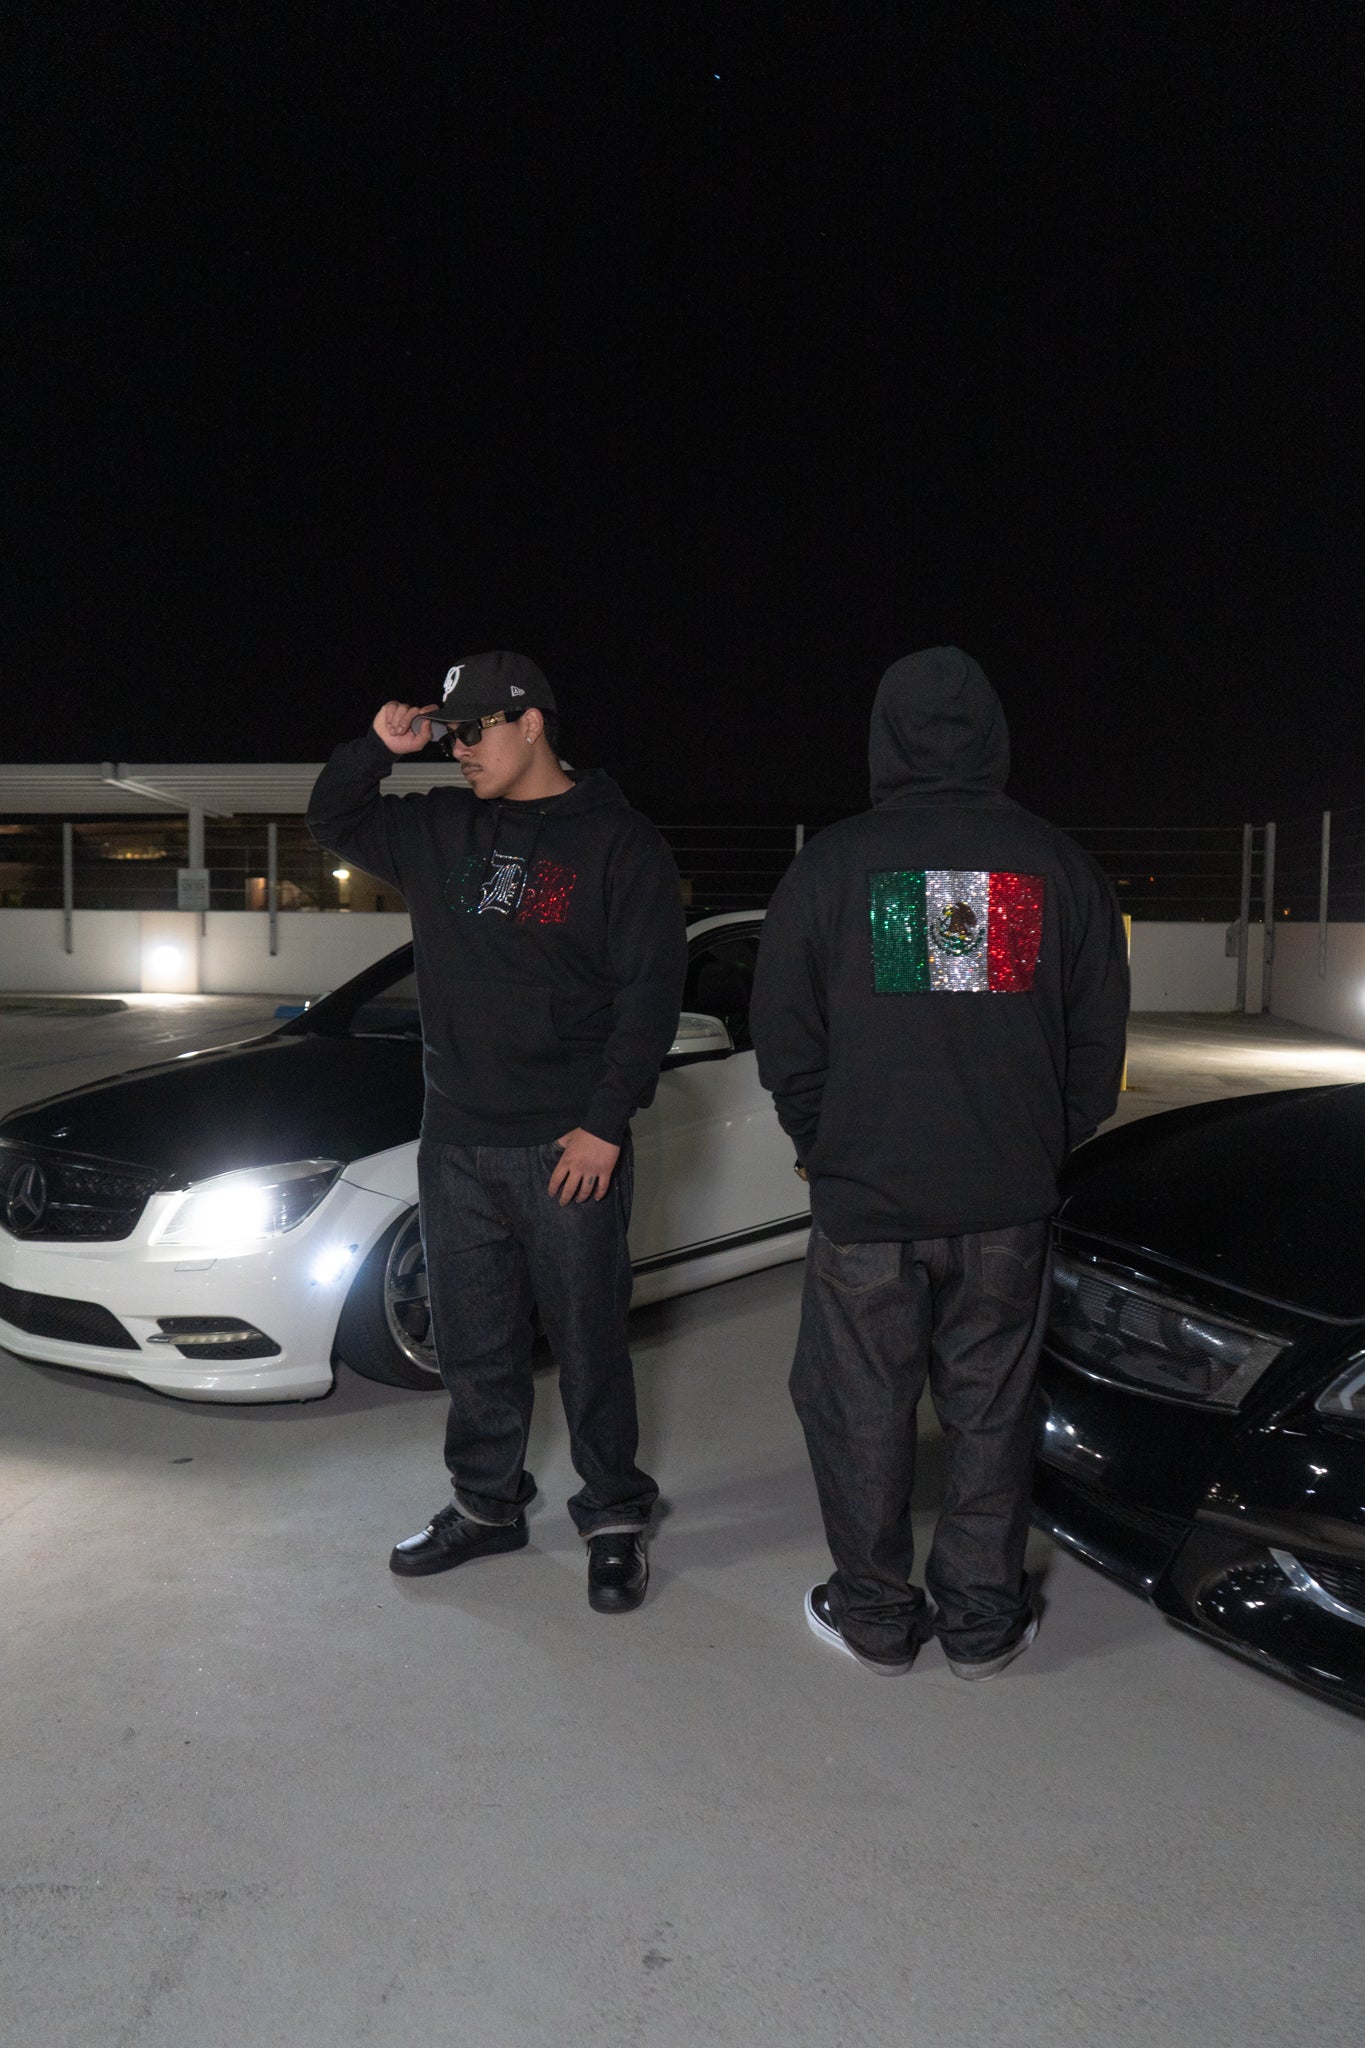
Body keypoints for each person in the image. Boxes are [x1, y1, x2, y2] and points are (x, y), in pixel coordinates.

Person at [750, 646, 1129, 1678]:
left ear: (884, 737)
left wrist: (821, 1143)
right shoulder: (1057, 865)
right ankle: (982, 1621)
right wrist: (1039, 1141)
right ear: (994, 737)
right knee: (990, 1408)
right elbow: (1097, 1046)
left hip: (867, 1205)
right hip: (1006, 1202)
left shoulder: (831, 865)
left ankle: (875, 1616)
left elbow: (784, 1036)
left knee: (858, 1406)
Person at [307, 650, 687, 1612]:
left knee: (589, 1342)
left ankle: (612, 1516)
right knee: (474, 1342)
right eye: (449, 734)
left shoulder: (619, 842)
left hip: (567, 1146)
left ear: (531, 724)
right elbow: (334, 819)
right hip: (456, 1140)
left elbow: (650, 997)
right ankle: (486, 1506)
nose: (460, 750)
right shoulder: (439, 826)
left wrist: (603, 1125)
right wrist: (376, 749)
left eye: (473, 731)